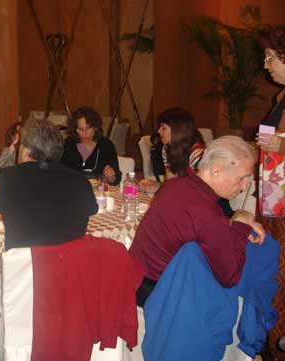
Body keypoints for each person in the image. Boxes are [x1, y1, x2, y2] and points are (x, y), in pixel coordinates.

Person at [129, 136, 265, 306]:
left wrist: (234, 221)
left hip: (134, 281)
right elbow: (231, 276)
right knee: (261, 260)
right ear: (216, 171)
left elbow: (202, 231)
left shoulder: (174, 186)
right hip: (162, 296)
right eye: (242, 178)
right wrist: (240, 223)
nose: (245, 186)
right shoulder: (205, 212)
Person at [0, 119, 98, 250]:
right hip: (67, 266)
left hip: (25, 266)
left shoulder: (8, 177)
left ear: (26, 152)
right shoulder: (81, 181)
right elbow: (93, 209)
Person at [256, 25, 285, 357]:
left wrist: (280, 143)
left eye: (270, 57)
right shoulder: (280, 97)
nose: (266, 65)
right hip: (274, 198)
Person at [61, 106, 122, 185]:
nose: (84, 133)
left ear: (95, 127)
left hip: (98, 191)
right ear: (75, 129)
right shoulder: (68, 145)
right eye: (80, 129)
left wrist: (111, 176)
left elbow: (116, 179)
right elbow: (59, 172)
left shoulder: (106, 146)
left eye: (88, 128)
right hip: (73, 189)